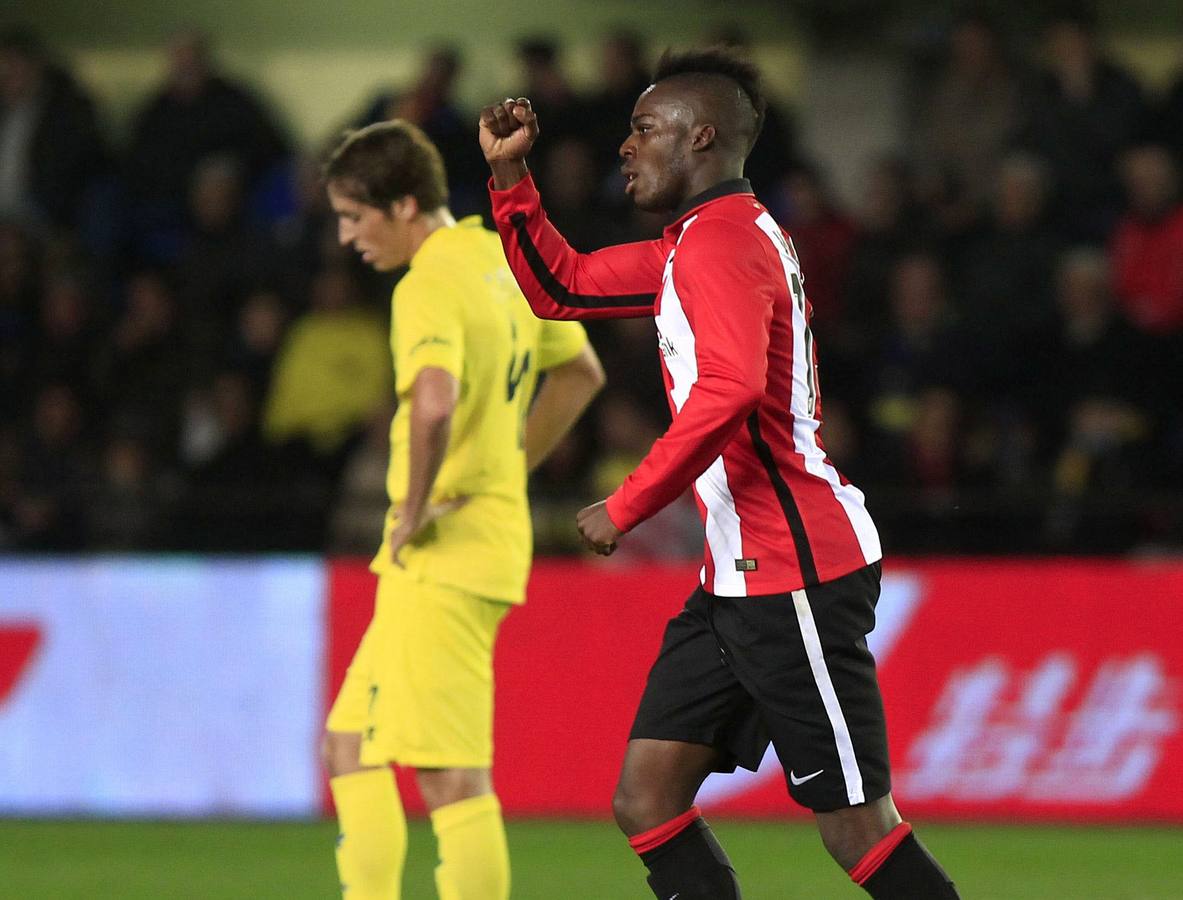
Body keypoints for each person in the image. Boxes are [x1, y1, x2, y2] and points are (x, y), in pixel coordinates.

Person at [479, 48, 960, 899]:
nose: (624, 146)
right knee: (646, 798)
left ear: (700, 136)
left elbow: (729, 391)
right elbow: (567, 287)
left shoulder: (717, 247)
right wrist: (511, 178)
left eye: (642, 128)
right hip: (737, 578)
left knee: (856, 830)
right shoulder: (701, 242)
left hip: (797, 570)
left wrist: (625, 504)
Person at [320, 120, 604, 900]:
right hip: (483, 540)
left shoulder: (426, 285)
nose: (347, 237)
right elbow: (579, 372)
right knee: (349, 746)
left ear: (404, 204)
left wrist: (410, 508)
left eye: (354, 216)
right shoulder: (501, 260)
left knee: (450, 778)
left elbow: (434, 400)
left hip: (441, 555)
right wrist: (508, 465)